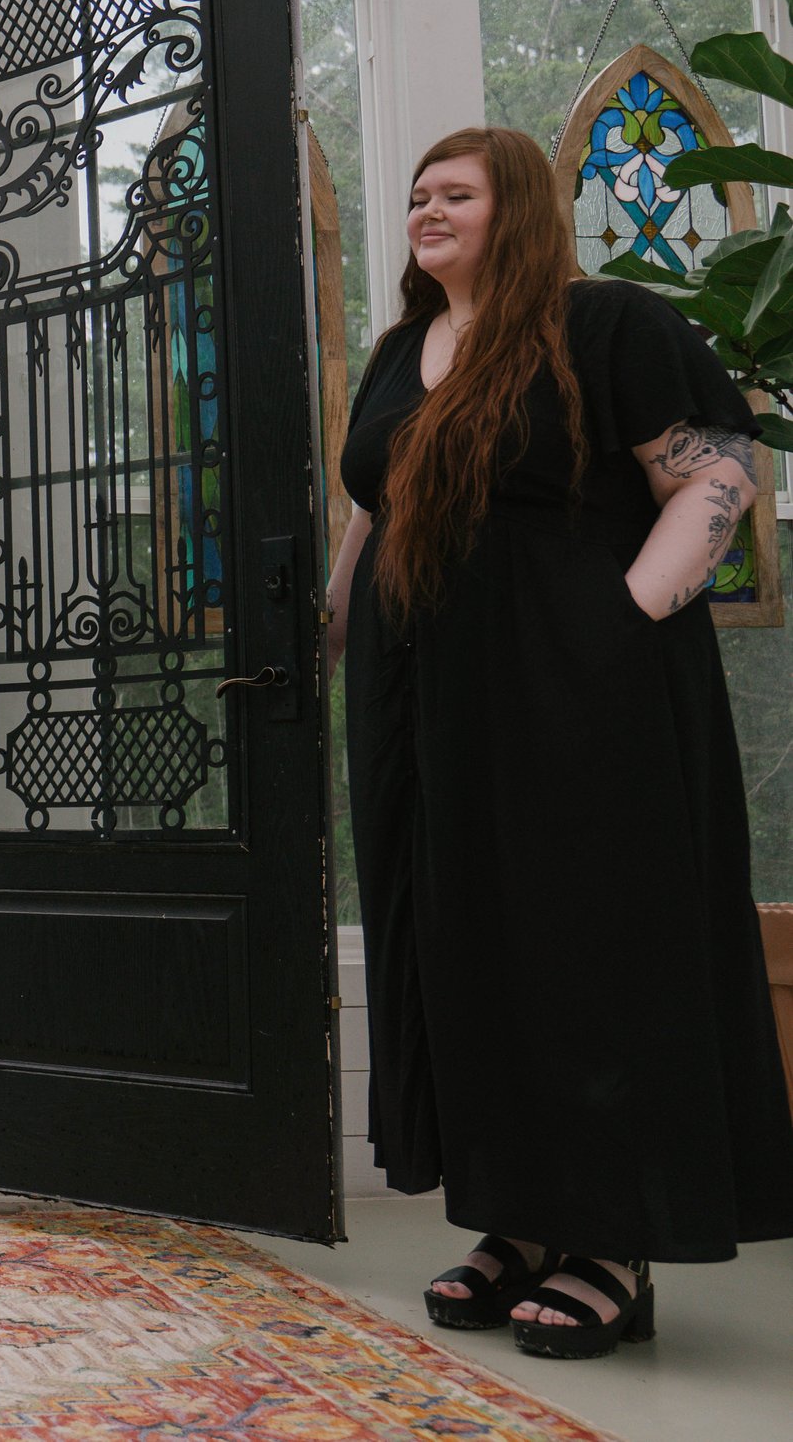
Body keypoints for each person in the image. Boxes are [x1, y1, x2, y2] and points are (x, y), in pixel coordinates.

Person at [327, 126, 793, 1359]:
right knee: (464, 942)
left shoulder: (607, 325)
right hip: (421, 697)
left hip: (579, 685)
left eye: (456, 194)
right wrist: (326, 632)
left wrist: (624, 611)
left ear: (518, 207)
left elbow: (717, 470)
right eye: (418, 192)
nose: (427, 209)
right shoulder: (395, 350)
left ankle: (611, 1242)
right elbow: (373, 509)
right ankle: (517, 1220)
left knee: (590, 941)